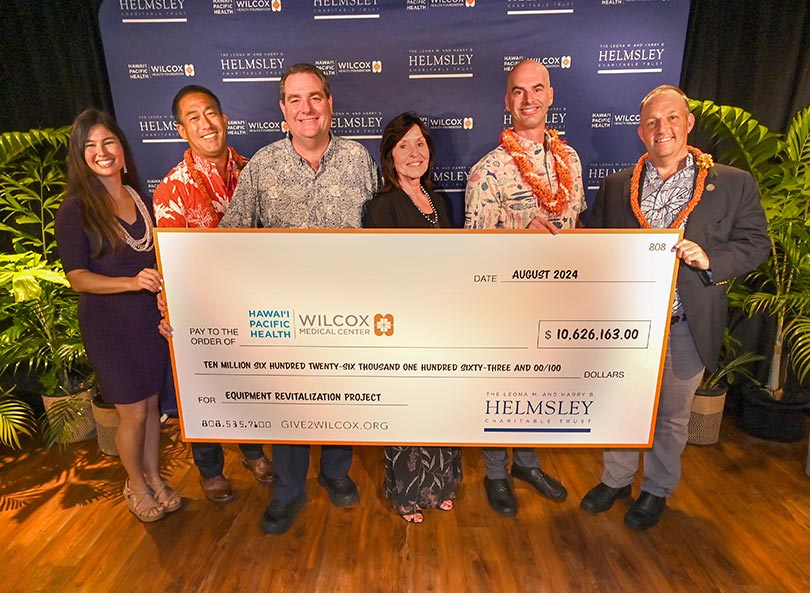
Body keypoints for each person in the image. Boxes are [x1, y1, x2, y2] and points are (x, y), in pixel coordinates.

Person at [581, 85, 770, 530]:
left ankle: (656, 489)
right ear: (640, 132)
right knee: (620, 405)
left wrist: (711, 259)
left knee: (671, 417)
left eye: (670, 119)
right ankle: (617, 478)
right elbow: (594, 243)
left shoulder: (732, 183)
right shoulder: (614, 187)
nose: (660, 128)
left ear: (688, 123)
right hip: (626, 325)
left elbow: (756, 243)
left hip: (686, 324)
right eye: (651, 122)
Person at [219, 63, 379, 535]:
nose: (306, 108)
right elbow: (231, 237)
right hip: (283, 316)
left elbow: (379, 237)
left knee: (340, 397)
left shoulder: (359, 160)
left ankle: (336, 472)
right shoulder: (262, 167)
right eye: (295, 100)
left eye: (315, 97)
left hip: (346, 312)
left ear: (330, 104)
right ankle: (288, 488)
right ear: (283, 111)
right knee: (289, 402)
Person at [464, 59, 586, 517]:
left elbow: (574, 225)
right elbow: (475, 255)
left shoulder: (570, 160)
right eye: (519, 91)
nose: (529, 99)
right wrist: (517, 234)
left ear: (551, 96)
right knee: (503, 389)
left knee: (541, 389)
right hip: (507, 305)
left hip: (557, 300)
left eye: (537, 89)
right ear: (507, 100)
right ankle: (496, 471)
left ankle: (528, 463)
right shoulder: (487, 171)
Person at [55, 109, 180, 522]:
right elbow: (77, 278)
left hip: (148, 323)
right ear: (80, 157)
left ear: (122, 149)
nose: (101, 151)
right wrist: (131, 283)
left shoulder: (144, 200)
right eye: (89, 146)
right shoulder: (75, 209)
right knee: (132, 413)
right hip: (110, 328)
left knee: (150, 410)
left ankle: (155, 478)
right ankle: (137, 485)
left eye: (108, 142)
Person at [153, 85, 274, 504]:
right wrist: (173, 307)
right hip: (200, 308)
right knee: (205, 390)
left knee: (251, 385)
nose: (205, 124)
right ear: (181, 129)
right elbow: (171, 261)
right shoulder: (173, 188)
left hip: (251, 303)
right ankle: (209, 469)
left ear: (224, 119)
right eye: (193, 117)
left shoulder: (253, 170)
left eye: (211, 114)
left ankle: (254, 451)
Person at [363, 112, 462, 523]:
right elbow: (382, 275)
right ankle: (406, 493)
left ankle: (437, 485)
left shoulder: (440, 201)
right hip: (404, 328)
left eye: (419, 143)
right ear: (389, 156)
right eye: (403, 145)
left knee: (440, 406)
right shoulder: (381, 206)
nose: (413, 152)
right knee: (407, 408)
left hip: (444, 323)